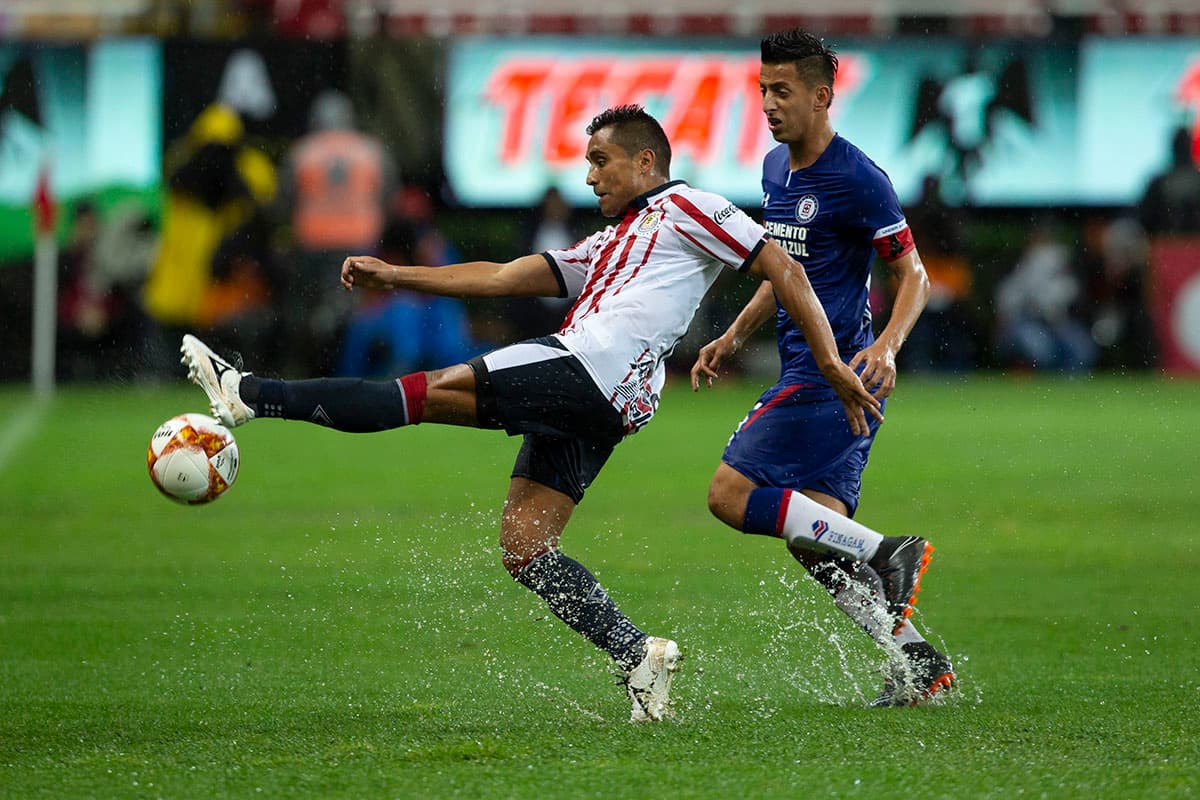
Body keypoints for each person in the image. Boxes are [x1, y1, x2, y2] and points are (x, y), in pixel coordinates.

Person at [181, 104, 880, 722]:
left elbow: (782, 266)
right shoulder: (612, 241)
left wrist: (829, 361)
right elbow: (502, 275)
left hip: (588, 366)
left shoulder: (691, 206)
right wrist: (398, 275)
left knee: (418, 394)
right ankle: (639, 654)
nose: (590, 177)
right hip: (609, 400)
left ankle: (250, 394)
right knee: (525, 548)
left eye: (601, 161)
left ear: (646, 160)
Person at [690, 29, 955, 707]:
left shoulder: (859, 178)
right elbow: (781, 270)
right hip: (825, 378)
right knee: (814, 541)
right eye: (762, 91)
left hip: (832, 377)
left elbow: (914, 275)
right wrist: (735, 332)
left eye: (782, 91)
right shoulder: (776, 170)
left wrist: (889, 344)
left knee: (728, 494)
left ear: (822, 95)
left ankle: (887, 550)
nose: (769, 105)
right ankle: (915, 661)